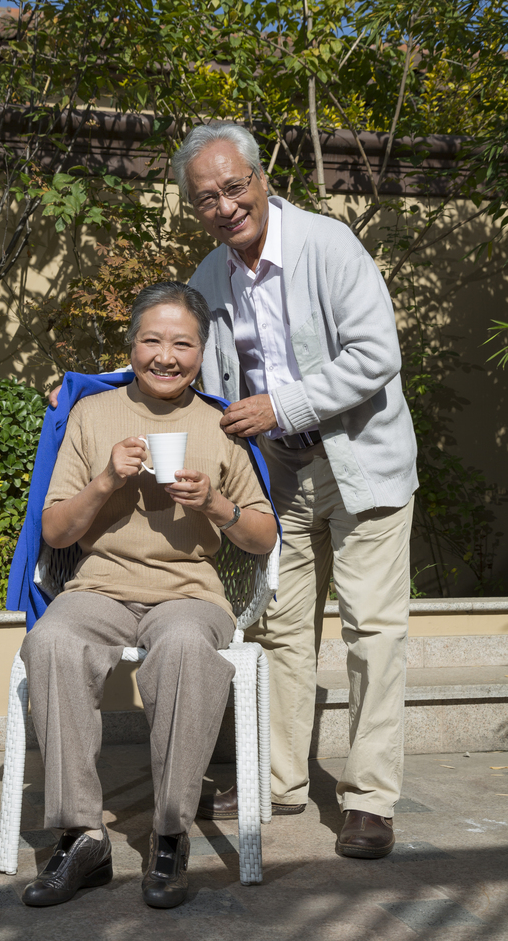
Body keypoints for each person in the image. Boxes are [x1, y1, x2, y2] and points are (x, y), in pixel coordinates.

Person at [171, 123, 418, 859]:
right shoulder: (208, 279)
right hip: (278, 477)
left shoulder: (327, 245)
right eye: (206, 198)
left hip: (361, 462)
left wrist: (284, 404)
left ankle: (369, 799)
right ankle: (277, 780)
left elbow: (376, 353)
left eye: (233, 186)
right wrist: (87, 393)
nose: (224, 206)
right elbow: (181, 368)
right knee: (279, 630)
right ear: (195, 208)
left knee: (372, 633)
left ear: (262, 178)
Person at [22, 281, 276, 910]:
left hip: (189, 590)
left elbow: (263, 536)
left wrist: (215, 504)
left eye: (182, 343)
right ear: (130, 345)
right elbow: (54, 531)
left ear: (201, 350)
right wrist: (108, 478)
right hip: (100, 584)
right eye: (152, 340)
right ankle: (81, 836)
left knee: (188, 645)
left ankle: (169, 833)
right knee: (52, 640)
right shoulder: (92, 415)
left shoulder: (220, 424)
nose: (166, 355)